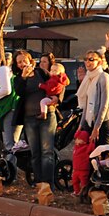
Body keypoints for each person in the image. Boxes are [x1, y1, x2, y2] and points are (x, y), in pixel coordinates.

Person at [22, 52, 67, 185]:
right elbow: (18, 92)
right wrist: (23, 77)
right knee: (35, 153)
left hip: (48, 117)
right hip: (30, 118)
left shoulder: (44, 74)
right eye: (19, 62)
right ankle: (38, 183)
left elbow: (61, 82)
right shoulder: (20, 77)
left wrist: (58, 98)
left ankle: (48, 185)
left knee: (47, 152)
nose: (23, 64)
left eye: (24, 61)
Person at [72, 51, 109, 198]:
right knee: (87, 156)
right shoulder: (89, 78)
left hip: (104, 121)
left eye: (91, 60)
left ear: (100, 61)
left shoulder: (103, 78)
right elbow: (87, 104)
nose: (88, 63)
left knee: (100, 156)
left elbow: (103, 105)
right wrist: (82, 124)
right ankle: (86, 189)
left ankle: (100, 192)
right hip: (89, 119)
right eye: (86, 60)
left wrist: (97, 127)